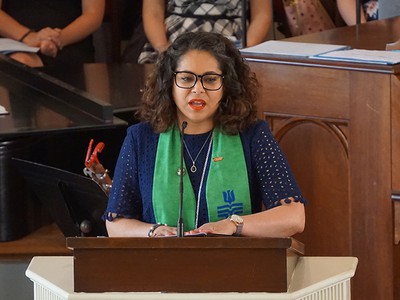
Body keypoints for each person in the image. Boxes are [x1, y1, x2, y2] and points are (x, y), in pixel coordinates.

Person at [105, 31, 306, 238]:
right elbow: (116, 223)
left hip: (236, 264)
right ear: (169, 84)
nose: (197, 89)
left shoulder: (253, 135)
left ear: (226, 85)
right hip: (162, 264)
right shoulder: (141, 139)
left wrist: (234, 224)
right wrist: (153, 231)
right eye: (186, 78)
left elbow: (294, 217)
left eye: (210, 79)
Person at [123, 0, 272, 64]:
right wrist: (163, 48)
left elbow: (262, 14)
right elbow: (153, 11)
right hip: (174, 39)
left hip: (233, 39)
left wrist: (244, 50)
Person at [0, 0, 105, 67]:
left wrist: (56, 40)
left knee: (20, 63)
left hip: (69, 41)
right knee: (16, 62)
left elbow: (93, 15)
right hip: (16, 39)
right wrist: (29, 37)